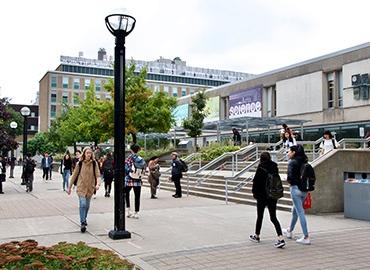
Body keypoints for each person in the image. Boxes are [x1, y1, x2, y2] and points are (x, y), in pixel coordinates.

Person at [249, 152, 285, 248]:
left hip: (261, 195)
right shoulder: (274, 166)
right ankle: (280, 237)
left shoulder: (261, 167)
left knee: (260, 216)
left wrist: (254, 193)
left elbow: (256, 182)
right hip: (272, 195)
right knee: (273, 217)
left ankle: (257, 235)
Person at [67, 147, 100, 233]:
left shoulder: (94, 164)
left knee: (87, 206)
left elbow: (98, 175)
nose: (89, 154)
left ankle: (84, 218)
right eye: (87, 153)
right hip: (81, 187)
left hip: (90, 188)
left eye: (90, 153)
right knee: (83, 204)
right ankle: (82, 223)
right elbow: (74, 175)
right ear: (84, 154)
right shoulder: (80, 163)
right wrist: (69, 187)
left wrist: (98, 184)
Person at [283, 145, 311, 245]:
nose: (288, 153)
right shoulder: (305, 161)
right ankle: (289, 230)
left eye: (289, 151)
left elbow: (289, 177)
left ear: (294, 152)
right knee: (295, 210)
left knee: (300, 212)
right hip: (304, 190)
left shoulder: (292, 162)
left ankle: (306, 236)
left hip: (295, 189)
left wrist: (291, 182)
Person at [125, 144, 146, 219]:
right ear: (138, 150)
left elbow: (126, 168)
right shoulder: (141, 159)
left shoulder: (129, 158)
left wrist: (129, 172)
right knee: (137, 196)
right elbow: (144, 169)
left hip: (129, 179)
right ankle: (136, 212)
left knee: (126, 193)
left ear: (131, 150)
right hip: (138, 180)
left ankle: (128, 210)